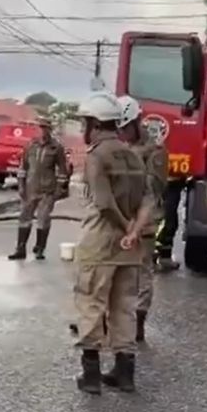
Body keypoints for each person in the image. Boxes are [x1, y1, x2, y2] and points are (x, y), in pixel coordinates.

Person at [73, 92, 146, 395]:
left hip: (101, 244)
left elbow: (103, 203)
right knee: (123, 308)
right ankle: (125, 373)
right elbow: (149, 200)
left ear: (94, 123)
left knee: (91, 303)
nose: (81, 130)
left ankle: (91, 376)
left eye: (84, 123)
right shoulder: (133, 154)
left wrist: (123, 225)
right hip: (130, 249)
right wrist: (134, 229)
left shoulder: (96, 155)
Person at [116, 96, 167, 343]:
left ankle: (139, 322)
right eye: (119, 129)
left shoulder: (154, 151)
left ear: (137, 122)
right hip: (119, 219)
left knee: (142, 273)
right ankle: (109, 317)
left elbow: (156, 187)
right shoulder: (119, 147)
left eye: (126, 127)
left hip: (144, 221)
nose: (123, 133)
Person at [9, 116, 69, 260]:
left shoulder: (56, 147)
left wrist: (59, 190)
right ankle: (20, 248)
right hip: (30, 189)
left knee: (43, 219)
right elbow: (23, 167)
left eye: (45, 127)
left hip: (47, 190)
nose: (42, 130)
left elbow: (62, 170)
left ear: (50, 129)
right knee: (24, 218)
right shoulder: (30, 146)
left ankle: (40, 248)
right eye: (40, 127)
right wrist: (21, 186)